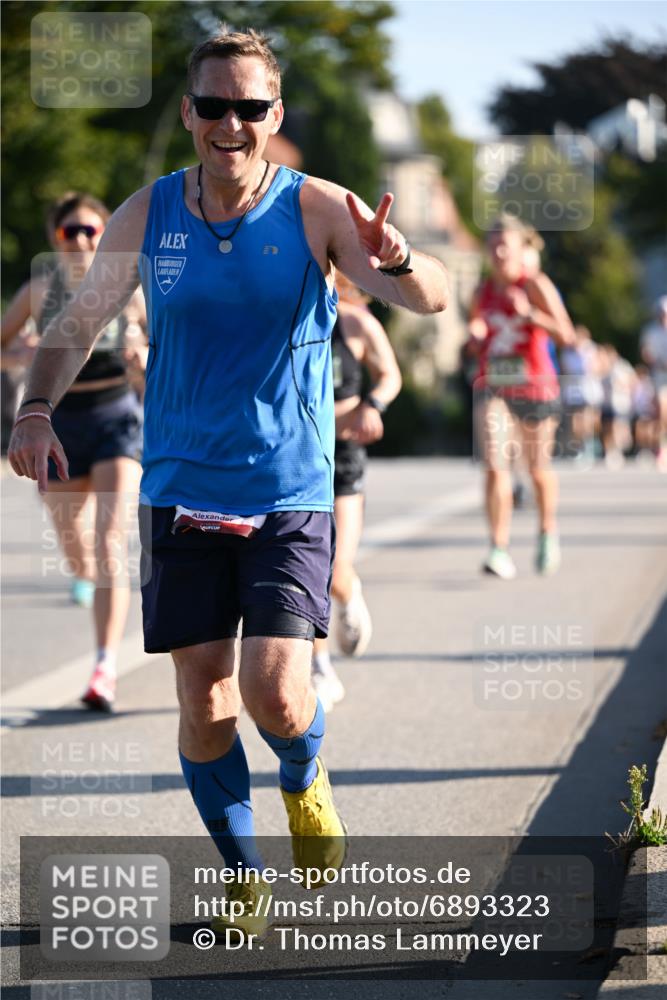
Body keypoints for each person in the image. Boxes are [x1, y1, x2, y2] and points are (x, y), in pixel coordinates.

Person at [8, 27, 448, 936]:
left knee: (277, 693)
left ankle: (303, 775)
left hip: (288, 486)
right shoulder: (148, 213)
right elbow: (78, 321)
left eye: (252, 108)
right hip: (180, 485)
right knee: (203, 699)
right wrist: (35, 410)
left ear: (274, 116)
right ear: (189, 114)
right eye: (215, 106)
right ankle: (242, 875)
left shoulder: (319, 209)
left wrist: (397, 256)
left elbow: (429, 296)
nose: (232, 124)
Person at [1, 192, 147, 712]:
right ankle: (82, 575)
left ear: (106, 236)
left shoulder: (129, 291)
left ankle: (104, 665)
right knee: (74, 543)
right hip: (59, 426)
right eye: (72, 232)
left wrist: (142, 356)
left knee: (110, 541)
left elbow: (166, 354)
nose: (83, 240)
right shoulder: (40, 292)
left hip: (116, 421)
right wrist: (19, 353)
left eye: (92, 231)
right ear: (55, 238)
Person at [311, 273, 401, 712]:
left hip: (343, 459)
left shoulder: (357, 323)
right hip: (296, 460)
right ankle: (320, 669)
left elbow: (390, 376)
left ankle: (349, 593)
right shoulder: (285, 316)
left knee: (335, 568)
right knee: (308, 570)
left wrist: (373, 406)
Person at [467, 214, 575, 580]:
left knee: (536, 470)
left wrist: (533, 316)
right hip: (495, 384)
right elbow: (476, 326)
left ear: (519, 250)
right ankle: (498, 547)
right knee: (495, 464)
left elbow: (567, 335)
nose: (498, 252)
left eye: (505, 246)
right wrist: (475, 335)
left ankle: (547, 530)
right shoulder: (481, 292)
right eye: (493, 245)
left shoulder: (536, 285)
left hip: (536, 387)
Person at [560, 325, 603, 464]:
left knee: (587, 421)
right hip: (573, 391)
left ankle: (589, 445)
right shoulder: (567, 352)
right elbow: (565, 369)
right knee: (575, 423)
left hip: (588, 391)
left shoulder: (591, 350)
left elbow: (596, 368)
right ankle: (578, 447)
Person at [640, 295, 667, 470]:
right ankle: (660, 449)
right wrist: (656, 362)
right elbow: (645, 353)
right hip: (659, 378)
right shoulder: (651, 331)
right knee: (661, 413)